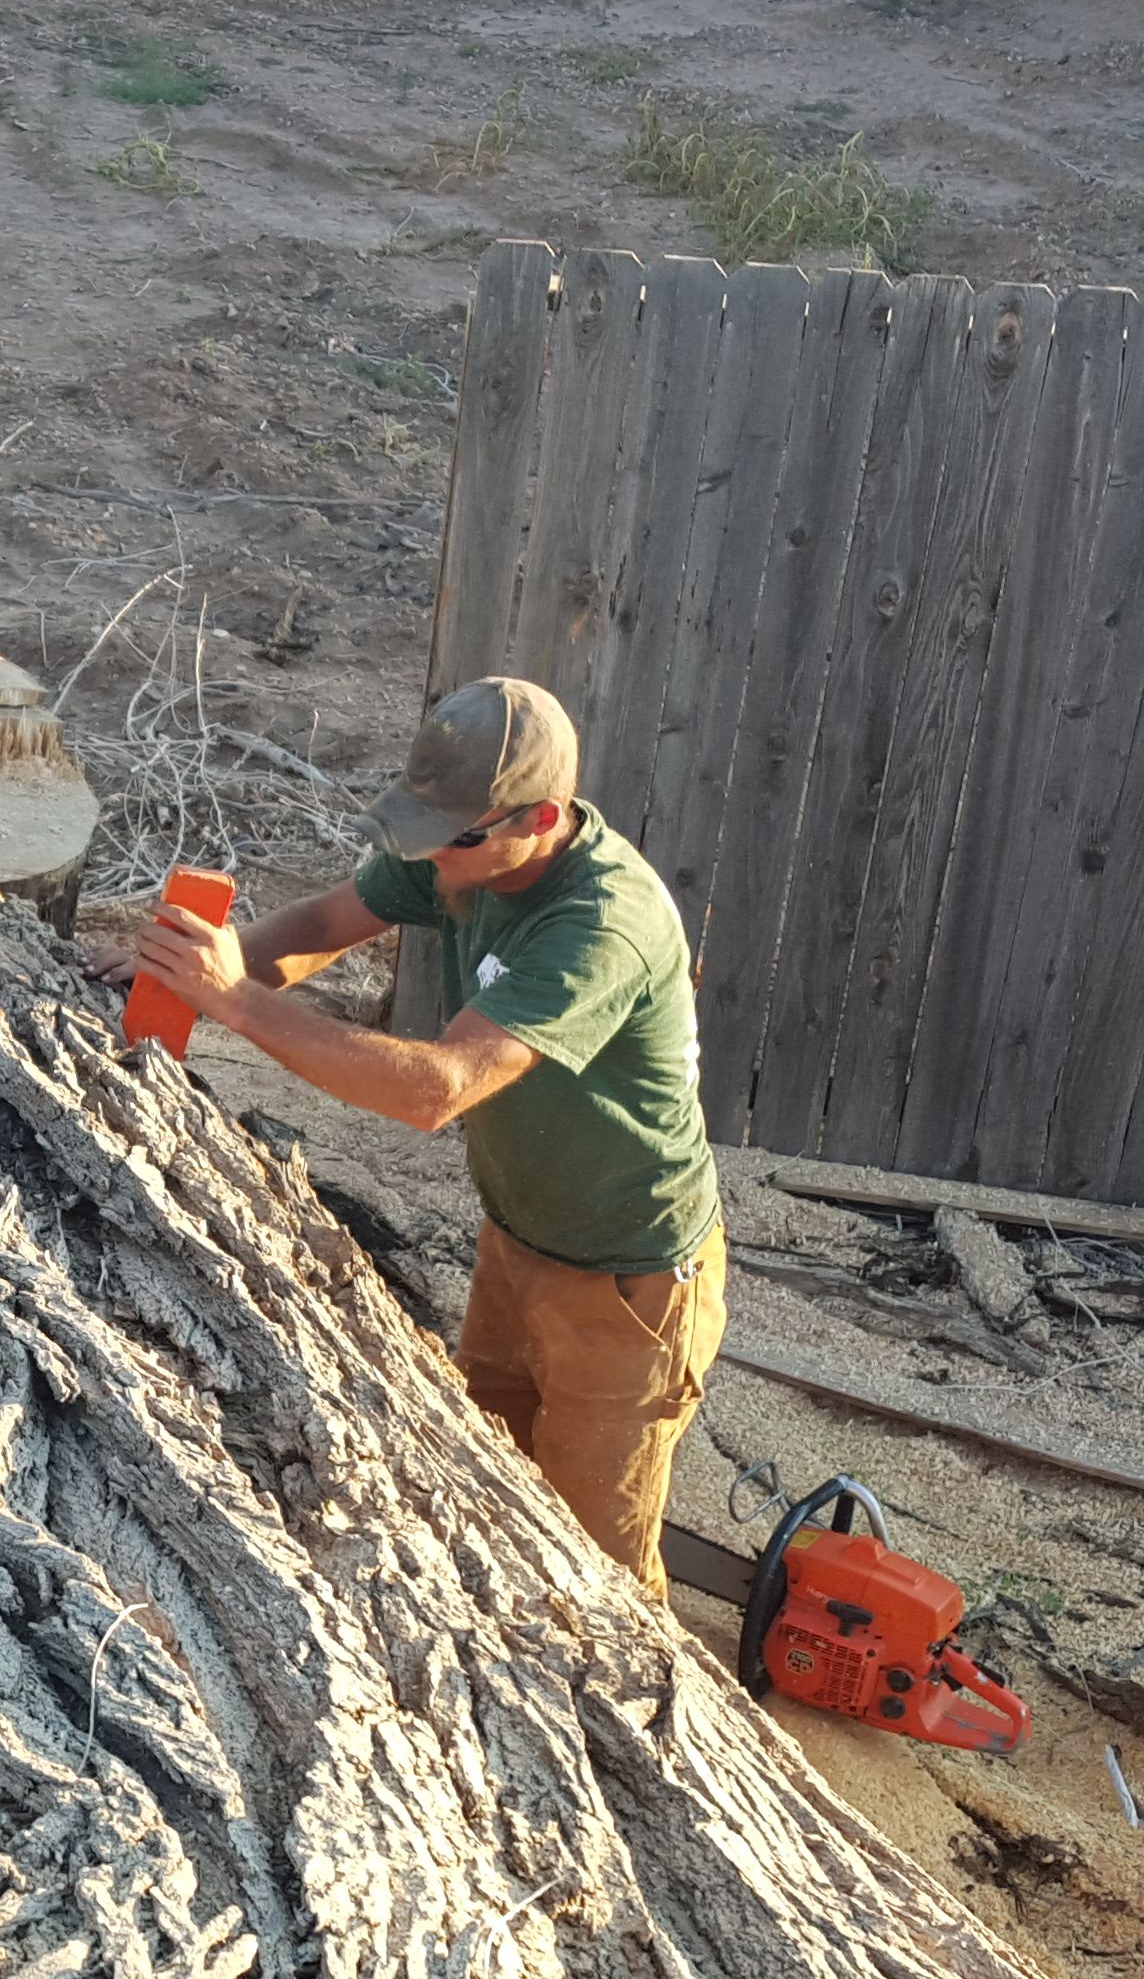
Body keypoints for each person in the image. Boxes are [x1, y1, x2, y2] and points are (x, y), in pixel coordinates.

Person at [128, 675, 725, 1593]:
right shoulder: (459, 837)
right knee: (492, 1491)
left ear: (539, 819)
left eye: (453, 840)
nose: (431, 857)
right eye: (425, 830)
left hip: (630, 1280)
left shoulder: (599, 924)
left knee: (601, 1581)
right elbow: (327, 921)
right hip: (518, 1239)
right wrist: (193, 972)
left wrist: (236, 1002)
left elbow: (437, 1090)